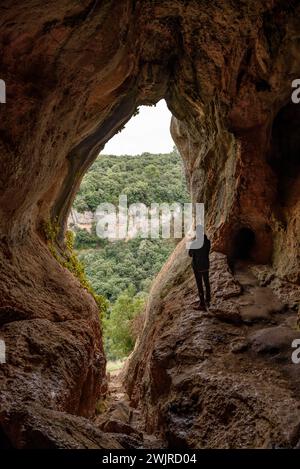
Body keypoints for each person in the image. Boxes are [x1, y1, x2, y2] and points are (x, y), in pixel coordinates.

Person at [188, 225, 211, 310]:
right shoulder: (208, 241)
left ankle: (202, 304)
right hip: (206, 265)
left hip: (197, 267)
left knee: (200, 285)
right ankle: (208, 300)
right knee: (207, 282)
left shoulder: (195, 243)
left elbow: (190, 254)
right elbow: (208, 251)